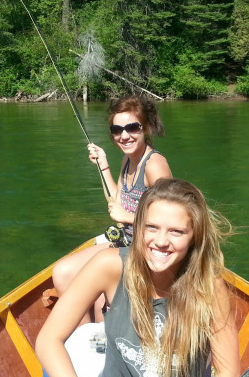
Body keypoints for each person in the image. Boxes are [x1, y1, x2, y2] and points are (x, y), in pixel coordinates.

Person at [36, 179, 240, 377]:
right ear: (138, 226)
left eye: (177, 231)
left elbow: (229, 373)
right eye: (152, 227)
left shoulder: (210, 287)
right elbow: (48, 340)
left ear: (195, 236)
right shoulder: (110, 266)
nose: (161, 241)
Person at [52, 95, 172, 324]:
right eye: (117, 130)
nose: (124, 136)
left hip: (146, 250)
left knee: (98, 296)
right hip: (125, 242)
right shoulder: (129, 159)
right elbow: (115, 200)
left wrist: (127, 217)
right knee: (63, 274)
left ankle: (104, 335)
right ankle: (86, 339)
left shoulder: (154, 164)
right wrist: (103, 165)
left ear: (145, 128)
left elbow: (169, 217)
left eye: (132, 128)